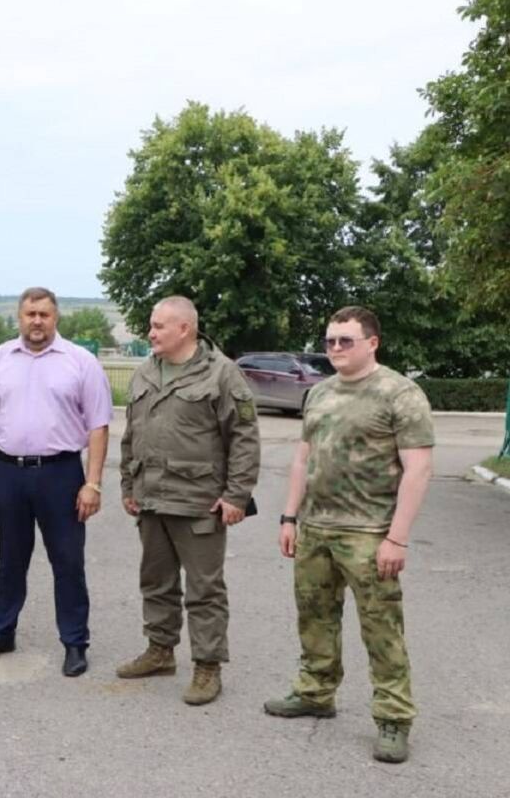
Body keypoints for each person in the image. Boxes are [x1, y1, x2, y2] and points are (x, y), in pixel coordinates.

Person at [264, 306, 433, 765]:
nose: (335, 348)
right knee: (314, 619)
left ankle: (394, 719)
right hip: (315, 529)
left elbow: (418, 470)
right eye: (329, 341)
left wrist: (396, 538)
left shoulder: (400, 393)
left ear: (372, 342)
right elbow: (302, 458)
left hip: (369, 532)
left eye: (346, 340)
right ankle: (316, 691)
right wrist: (289, 517)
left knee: (382, 629)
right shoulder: (318, 393)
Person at [0, 287, 112, 677]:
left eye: (44, 314)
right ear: (20, 317)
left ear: (56, 317)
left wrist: (92, 483)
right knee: (10, 561)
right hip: (10, 472)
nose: (37, 321)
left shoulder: (80, 362)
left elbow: (98, 426)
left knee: (67, 561)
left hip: (61, 474)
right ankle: (2, 630)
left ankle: (75, 642)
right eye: (30, 314)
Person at [116, 296, 260, 705]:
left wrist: (236, 495)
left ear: (185, 329)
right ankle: (160, 651)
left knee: (204, 590)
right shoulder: (146, 372)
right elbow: (131, 434)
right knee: (155, 582)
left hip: (199, 502)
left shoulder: (222, 374)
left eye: (159, 326)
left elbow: (244, 439)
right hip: (151, 500)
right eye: (151, 324)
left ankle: (207, 667)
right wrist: (129, 484)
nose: (150, 332)